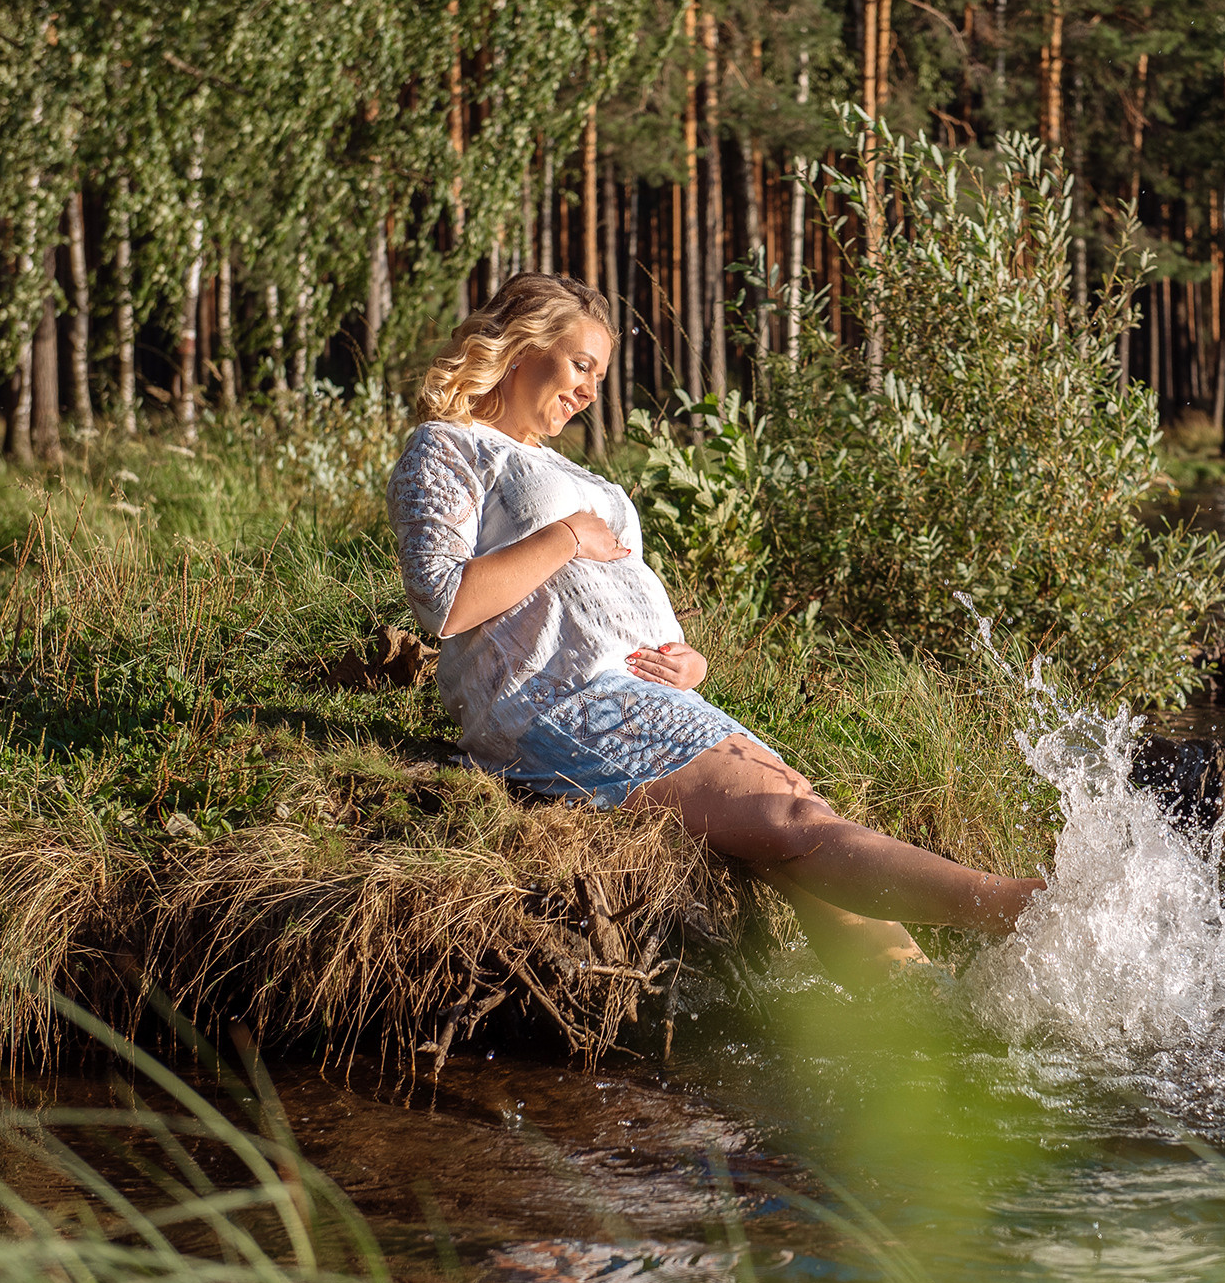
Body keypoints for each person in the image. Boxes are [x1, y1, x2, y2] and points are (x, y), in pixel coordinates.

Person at [386, 272, 1045, 982]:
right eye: (581, 365)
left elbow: (624, 604)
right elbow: (444, 603)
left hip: (656, 699)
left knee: (794, 840)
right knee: (791, 822)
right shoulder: (449, 446)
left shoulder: (573, 471)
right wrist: (568, 537)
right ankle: (1021, 908)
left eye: (599, 376)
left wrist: (686, 662)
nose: (588, 390)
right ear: (521, 349)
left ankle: (919, 1018)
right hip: (558, 704)